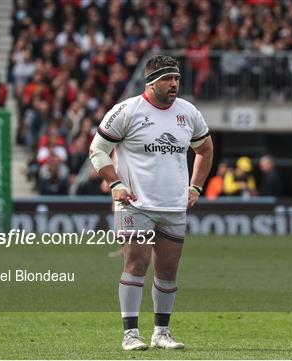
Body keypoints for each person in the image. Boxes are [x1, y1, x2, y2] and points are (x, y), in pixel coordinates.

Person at [89, 55, 213, 351]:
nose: (174, 84)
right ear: (152, 82)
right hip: (136, 204)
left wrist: (196, 186)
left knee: (168, 271)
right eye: (169, 79)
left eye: (177, 79)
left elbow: (205, 150)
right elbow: (98, 150)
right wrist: (115, 183)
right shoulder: (127, 111)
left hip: (173, 206)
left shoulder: (189, 112)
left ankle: (161, 332)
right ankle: (130, 335)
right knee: (136, 264)